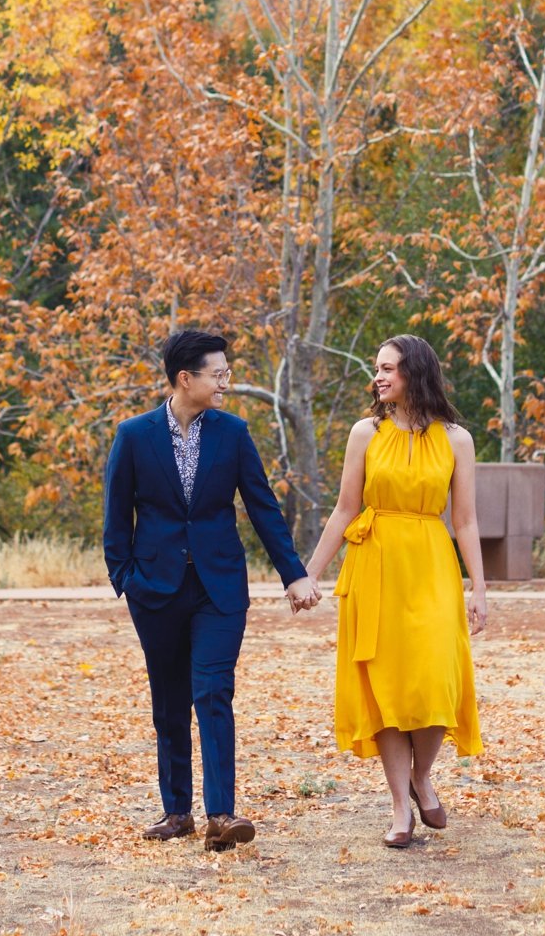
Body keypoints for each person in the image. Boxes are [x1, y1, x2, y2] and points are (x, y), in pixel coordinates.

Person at [102, 329, 320, 850]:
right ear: (185, 378)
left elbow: (263, 507)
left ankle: (221, 814)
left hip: (220, 590)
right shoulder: (133, 436)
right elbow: (116, 516)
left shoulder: (233, 433)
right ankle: (177, 812)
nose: (226, 382)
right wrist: (126, 579)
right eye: (217, 374)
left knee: (213, 692)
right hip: (155, 590)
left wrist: (293, 573)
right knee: (169, 701)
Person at [301, 334, 485, 849]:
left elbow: (466, 521)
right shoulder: (365, 432)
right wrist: (310, 573)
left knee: (433, 681)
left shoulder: (456, 439)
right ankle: (401, 807)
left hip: (430, 564)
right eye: (376, 369)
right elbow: (344, 509)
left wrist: (480, 589)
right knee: (384, 686)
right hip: (375, 564)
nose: (378, 377)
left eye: (388, 369)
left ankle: (421, 774)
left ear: (416, 372)